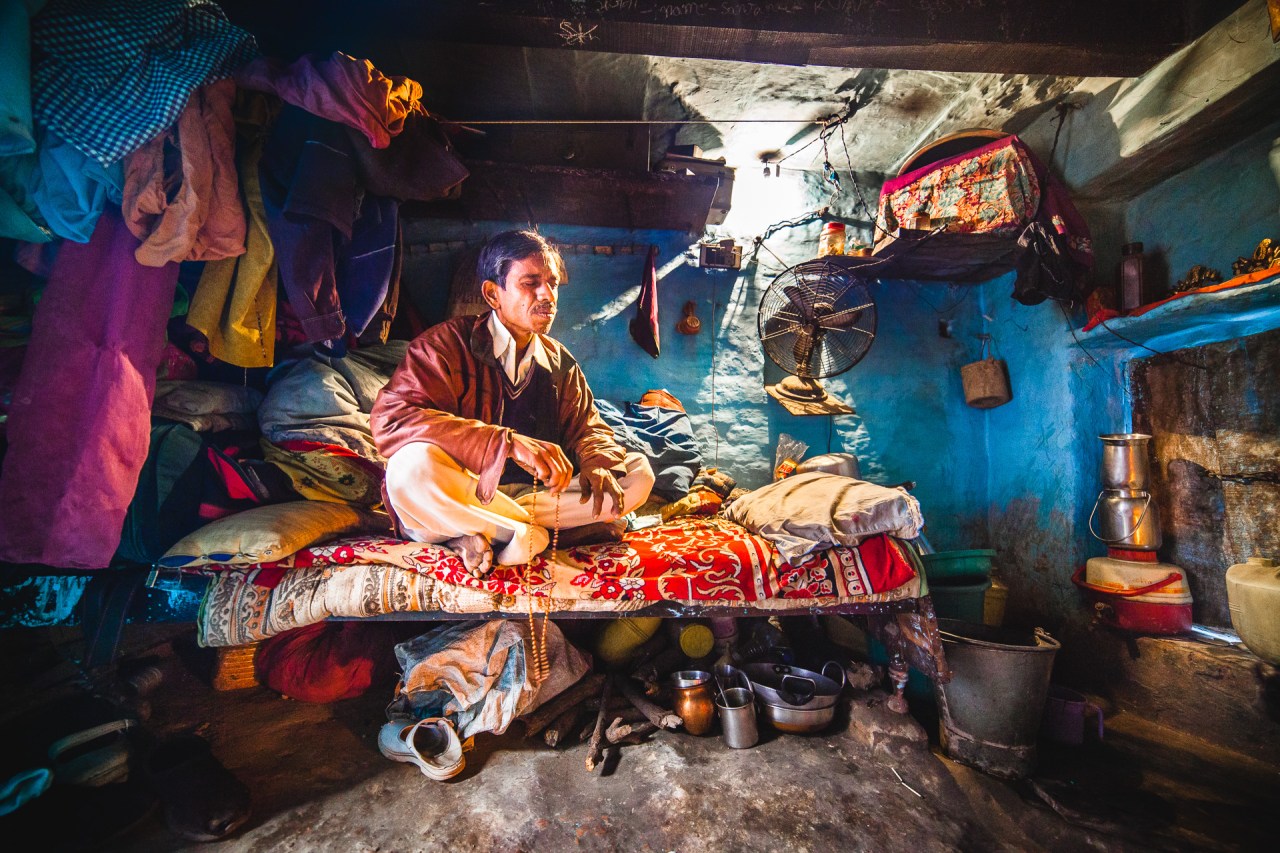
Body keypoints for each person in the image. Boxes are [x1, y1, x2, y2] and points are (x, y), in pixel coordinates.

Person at [371, 230, 654, 576]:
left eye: (552, 284)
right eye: (530, 283)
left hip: (531, 497)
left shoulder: (559, 361)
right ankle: (530, 535)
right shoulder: (444, 345)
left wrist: (597, 462)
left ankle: (488, 533)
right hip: (468, 488)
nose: (547, 295)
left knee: (638, 473)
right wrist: (503, 443)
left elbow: (588, 426)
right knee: (408, 470)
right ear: (493, 294)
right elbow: (391, 419)